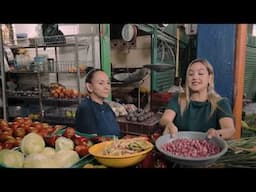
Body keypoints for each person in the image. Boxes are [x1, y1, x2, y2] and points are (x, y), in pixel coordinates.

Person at [160, 58, 235, 140]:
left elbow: (230, 130)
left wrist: (217, 133)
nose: (195, 77)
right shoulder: (177, 99)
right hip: (180, 148)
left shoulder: (221, 103)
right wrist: (168, 124)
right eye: (191, 74)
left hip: (208, 149)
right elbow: (165, 119)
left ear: (210, 78)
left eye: (200, 73)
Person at [75, 68, 121, 136]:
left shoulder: (107, 106)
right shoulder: (85, 108)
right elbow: (91, 139)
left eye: (108, 83)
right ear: (89, 87)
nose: (107, 87)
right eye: (101, 83)